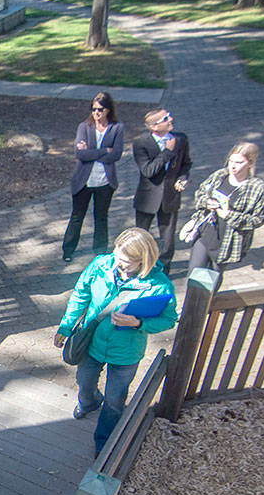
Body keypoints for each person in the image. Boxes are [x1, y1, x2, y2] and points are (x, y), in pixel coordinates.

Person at [53, 228, 178, 455]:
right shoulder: (101, 265)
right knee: (84, 381)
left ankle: (103, 445)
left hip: (126, 353)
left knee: (114, 401)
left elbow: (169, 319)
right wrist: (66, 326)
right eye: (118, 257)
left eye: (127, 262)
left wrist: (138, 323)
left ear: (144, 260)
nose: (119, 265)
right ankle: (89, 403)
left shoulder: (159, 285)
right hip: (92, 343)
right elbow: (80, 294)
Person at [183, 142, 264, 281]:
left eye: (239, 162)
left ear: (250, 163)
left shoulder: (256, 188)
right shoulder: (220, 176)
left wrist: (229, 216)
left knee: (211, 280)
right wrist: (207, 202)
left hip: (227, 241)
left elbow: (257, 220)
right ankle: (191, 302)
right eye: (231, 161)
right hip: (205, 233)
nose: (233, 166)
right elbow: (200, 192)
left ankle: (209, 302)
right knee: (193, 276)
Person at [63, 92, 125, 264]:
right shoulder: (84, 126)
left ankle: (100, 251)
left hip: (105, 181)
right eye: (93, 109)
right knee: (77, 216)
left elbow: (117, 154)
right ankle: (68, 249)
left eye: (100, 109)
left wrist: (91, 153)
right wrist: (104, 151)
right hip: (84, 181)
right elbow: (79, 154)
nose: (96, 113)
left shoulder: (117, 127)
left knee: (101, 216)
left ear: (108, 110)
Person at [132, 109, 192, 273]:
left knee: (167, 239)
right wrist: (167, 152)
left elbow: (186, 164)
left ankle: (164, 269)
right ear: (154, 127)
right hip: (147, 198)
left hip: (170, 196)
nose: (170, 119)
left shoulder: (181, 139)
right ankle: (141, 267)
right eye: (166, 119)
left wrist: (183, 178)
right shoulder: (141, 143)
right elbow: (148, 171)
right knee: (141, 236)